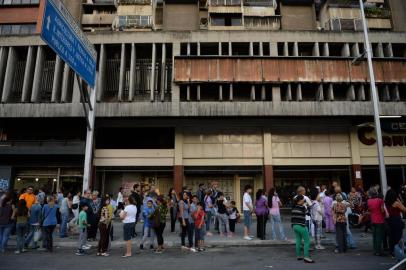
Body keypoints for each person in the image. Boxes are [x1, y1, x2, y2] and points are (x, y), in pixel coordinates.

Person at [291, 195, 314, 263]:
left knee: (298, 240)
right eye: (303, 200)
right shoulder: (303, 207)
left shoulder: (293, 207)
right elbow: (308, 214)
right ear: (300, 200)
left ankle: (298, 256)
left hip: (294, 226)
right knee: (307, 241)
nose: (304, 201)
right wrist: (307, 206)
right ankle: (306, 257)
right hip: (301, 226)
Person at [385, 189, 406, 256]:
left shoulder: (385, 203)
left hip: (389, 220)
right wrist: (399, 201)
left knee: (391, 236)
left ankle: (392, 251)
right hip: (396, 220)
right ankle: (398, 251)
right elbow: (404, 209)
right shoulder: (396, 203)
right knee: (398, 236)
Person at [367, 188, 385, 256]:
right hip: (380, 219)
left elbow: (369, 209)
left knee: (374, 236)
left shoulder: (369, 201)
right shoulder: (380, 200)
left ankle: (375, 250)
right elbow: (382, 210)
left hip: (372, 219)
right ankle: (378, 251)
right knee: (379, 236)